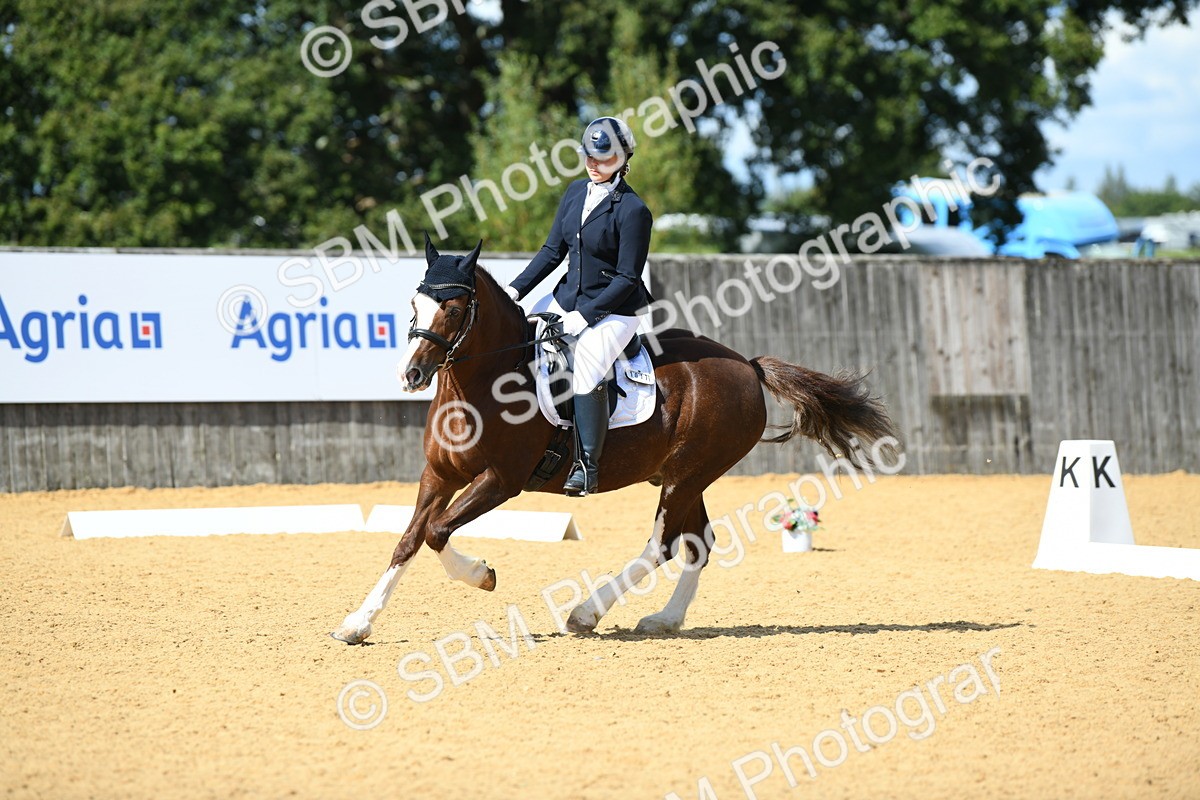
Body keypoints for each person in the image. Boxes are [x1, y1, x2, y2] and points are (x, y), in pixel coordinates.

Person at [506, 117, 654, 497]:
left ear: (623, 159)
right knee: (518, 336)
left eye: (603, 159)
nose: (593, 164)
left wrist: (584, 318)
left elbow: (627, 279)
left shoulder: (634, 210)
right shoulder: (575, 192)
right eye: (588, 156)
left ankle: (587, 465)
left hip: (616, 309)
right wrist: (515, 290)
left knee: (587, 366)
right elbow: (552, 251)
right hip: (567, 296)